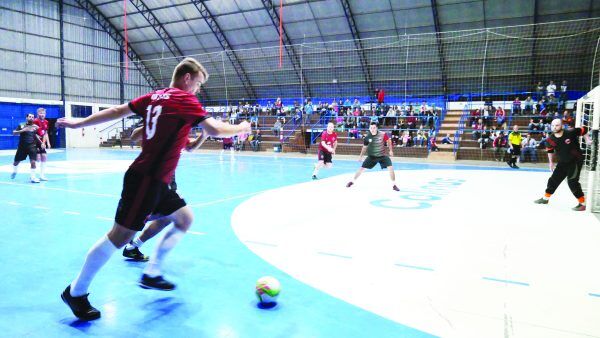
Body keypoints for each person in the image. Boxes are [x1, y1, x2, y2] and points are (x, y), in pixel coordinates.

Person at [57, 57, 252, 321]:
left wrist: (79, 124)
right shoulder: (183, 99)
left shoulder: (155, 96)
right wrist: (242, 127)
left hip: (159, 181)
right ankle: (76, 291)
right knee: (119, 236)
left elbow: (116, 112)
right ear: (187, 78)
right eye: (197, 84)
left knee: (184, 218)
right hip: (147, 178)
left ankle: (152, 273)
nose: (197, 90)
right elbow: (215, 129)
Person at [122, 127, 208, 262]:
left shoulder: (179, 126)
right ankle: (129, 228)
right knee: (177, 215)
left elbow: (190, 147)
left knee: (167, 217)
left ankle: (132, 244)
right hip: (155, 178)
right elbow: (134, 136)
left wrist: (205, 134)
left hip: (167, 178)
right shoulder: (161, 121)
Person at [534, 119, 589, 211]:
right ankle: (545, 199)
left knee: (572, 182)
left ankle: (582, 203)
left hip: (575, 161)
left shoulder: (570, 132)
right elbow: (550, 151)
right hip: (563, 161)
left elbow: (584, 130)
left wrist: (587, 139)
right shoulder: (550, 140)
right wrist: (551, 163)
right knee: (553, 180)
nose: (554, 127)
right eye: (553, 125)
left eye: (557, 125)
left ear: (562, 126)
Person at [346, 122, 399, 191]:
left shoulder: (383, 134)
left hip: (382, 155)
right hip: (371, 156)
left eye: (374, 128)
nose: (372, 129)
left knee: (391, 167)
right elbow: (364, 147)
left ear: (376, 128)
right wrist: (361, 156)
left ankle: (394, 185)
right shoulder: (367, 137)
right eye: (371, 128)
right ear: (369, 128)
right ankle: (352, 181)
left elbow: (389, 141)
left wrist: (390, 150)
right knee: (362, 168)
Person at [10, 113, 41, 183]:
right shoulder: (22, 125)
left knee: (33, 162)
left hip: (32, 146)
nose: (31, 118)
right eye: (30, 117)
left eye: (33, 117)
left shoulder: (35, 126)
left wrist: (40, 143)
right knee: (16, 162)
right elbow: (14, 133)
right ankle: (15, 171)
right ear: (26, 118)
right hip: (22, 147)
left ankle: (33, 177)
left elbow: (36, 136)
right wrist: (23, 130)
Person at [33, 107, 50, 181]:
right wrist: (41, 142)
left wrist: (47, 143)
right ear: (38, 114)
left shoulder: (46, 122)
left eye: (43, 113)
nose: (42, 114)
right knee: (37, 158)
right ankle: (33, 175)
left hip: (42, 143)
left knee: (44, 156)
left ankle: (42, 175)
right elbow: (33, 134)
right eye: (40, 113)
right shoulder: (35, 121)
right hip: (35, 142)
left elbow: (45, 133)